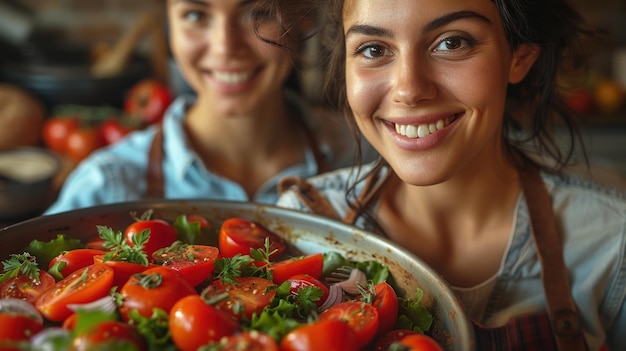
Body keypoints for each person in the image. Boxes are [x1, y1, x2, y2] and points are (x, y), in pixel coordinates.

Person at [276, 0, 626, 350]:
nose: (409, 89)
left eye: (453, 43)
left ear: (519, 57)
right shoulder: (304, 223)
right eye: (373, 49)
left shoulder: (611, 241)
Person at [45, 0, 350, 215]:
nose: (225, 47)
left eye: (258, 12)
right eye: (195, 15)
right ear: (167, 24)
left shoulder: (362, 156)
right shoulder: (107, 185)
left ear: (301, 18)